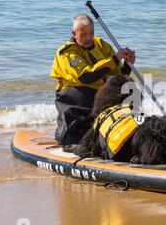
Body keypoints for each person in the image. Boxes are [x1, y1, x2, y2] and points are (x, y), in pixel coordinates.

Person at [50, 13, 136, 145]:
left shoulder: (101, 45)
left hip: (98, 96)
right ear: (74, 33)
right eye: (83, 34)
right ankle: (64, 135)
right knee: (72, 138)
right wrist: (114, 59)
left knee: (126, 88)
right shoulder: (67, 52)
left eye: (91, 33)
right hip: (75, 99)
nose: (89, 38)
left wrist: (127, 64)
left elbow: (117, 75)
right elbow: (86, 77)